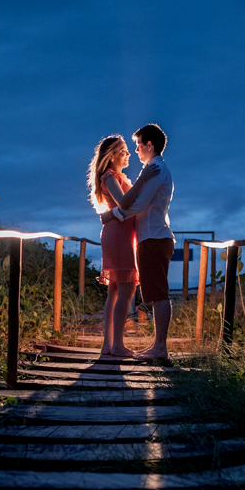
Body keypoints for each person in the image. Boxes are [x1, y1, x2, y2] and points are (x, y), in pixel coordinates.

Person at [100, 123, 174, 360]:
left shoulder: (154, 169)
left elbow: (137, 205)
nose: (135, 151)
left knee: (155, 292)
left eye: (138, 145)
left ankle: (158, 347)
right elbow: (131, 202)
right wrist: (113, 214)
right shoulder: (151, 170)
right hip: (145, 236)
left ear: (149, 145)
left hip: (152, 237)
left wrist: (110, 214)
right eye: (128, 148)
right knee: (144, 291)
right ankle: (148, 346)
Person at [87, 134, 145, 358]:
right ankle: (117, 345)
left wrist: (107, 215)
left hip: (121, 234)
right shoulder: (110, 176)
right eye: (123, 150)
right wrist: (144, 178)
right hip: (118, 235)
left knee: (114, 289)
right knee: (127, 288)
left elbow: (123, 206)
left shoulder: (118, 176)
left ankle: (108, 345)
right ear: (111, 156)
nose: (129, 153)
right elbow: (124, 203)